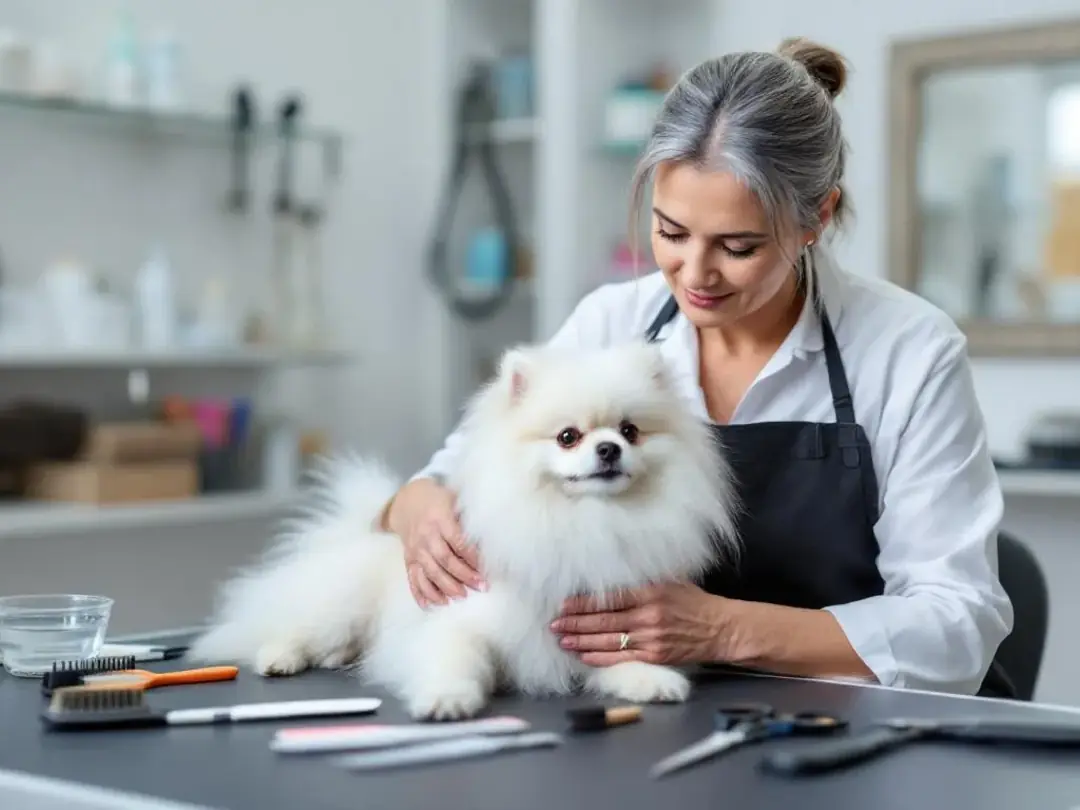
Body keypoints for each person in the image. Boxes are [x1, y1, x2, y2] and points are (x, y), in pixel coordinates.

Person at [382, 38, 1015, 698]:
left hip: (856, 724)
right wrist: (416, 506)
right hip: (661, 716)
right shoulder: (612, 321)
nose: (694, 274)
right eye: (670, 232)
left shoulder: (908, 351)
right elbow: (452, 474)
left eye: (737, 246)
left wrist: (721, 629)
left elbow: (959, 619)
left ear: (815, 219)